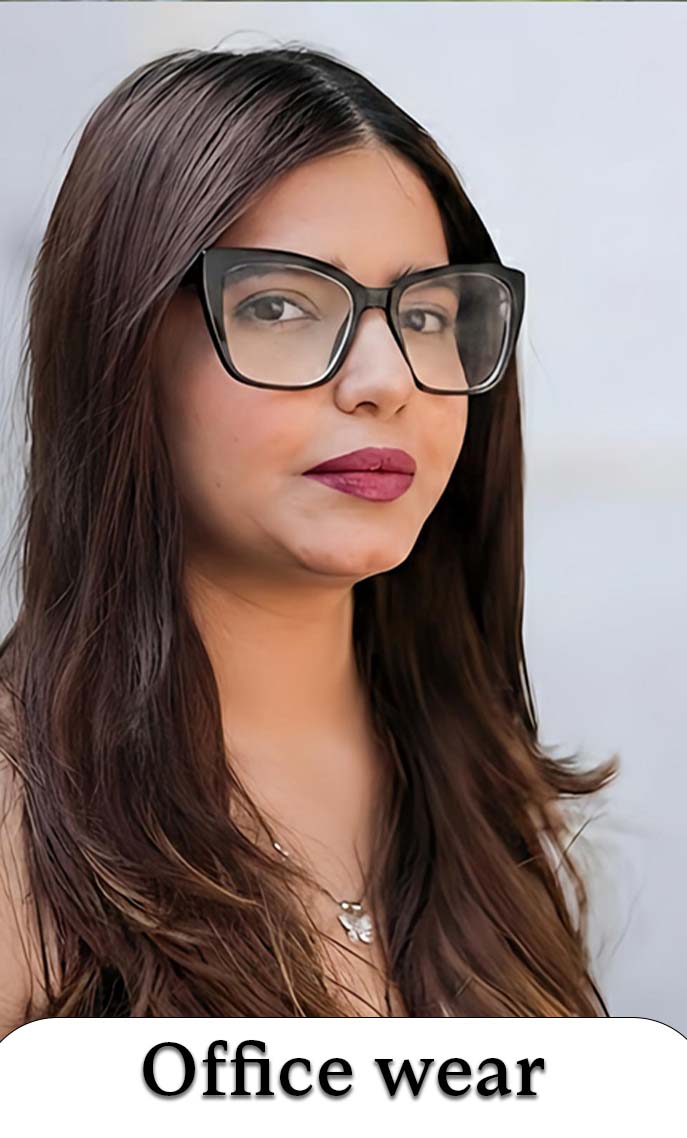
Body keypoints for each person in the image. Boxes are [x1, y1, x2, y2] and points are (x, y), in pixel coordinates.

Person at [0, 43, 618, 1032]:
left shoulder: (480, 781)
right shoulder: (23, 817)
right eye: (281, 306)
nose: (386, 379)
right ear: (121, 345)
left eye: (428, 314)